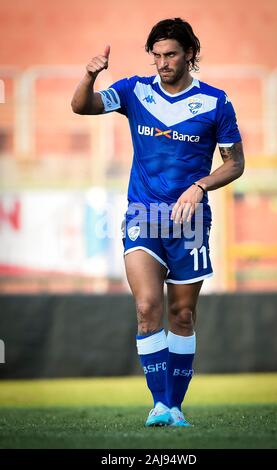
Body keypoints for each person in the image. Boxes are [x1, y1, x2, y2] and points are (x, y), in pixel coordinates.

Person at [71, 18, 244, 427]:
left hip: (189, 221)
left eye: (170, 55)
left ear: (189, 55)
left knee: (182, 316)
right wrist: (90, 74)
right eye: (157, 56)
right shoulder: (134, 90)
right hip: (142, 214)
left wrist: (200, 185)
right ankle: (159, 405)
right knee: (148, 307)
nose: (162, 63)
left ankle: (175, 406)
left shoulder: (216, 102)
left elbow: (234, 163)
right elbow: (82, 106)